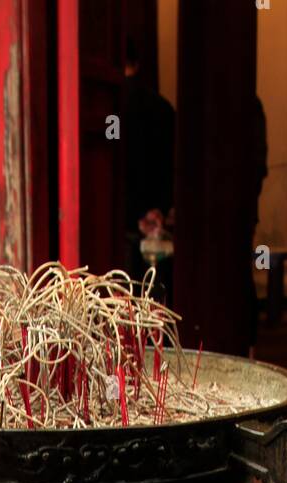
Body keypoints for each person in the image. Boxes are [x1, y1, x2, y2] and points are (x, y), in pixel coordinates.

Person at [122, 36, 175, 293]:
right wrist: (160, 210)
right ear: (138, 62)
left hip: (121, 227)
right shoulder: (163, 108)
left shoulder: (109, 106)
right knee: (154, 301)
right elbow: (173, 168)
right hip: (157, 227)